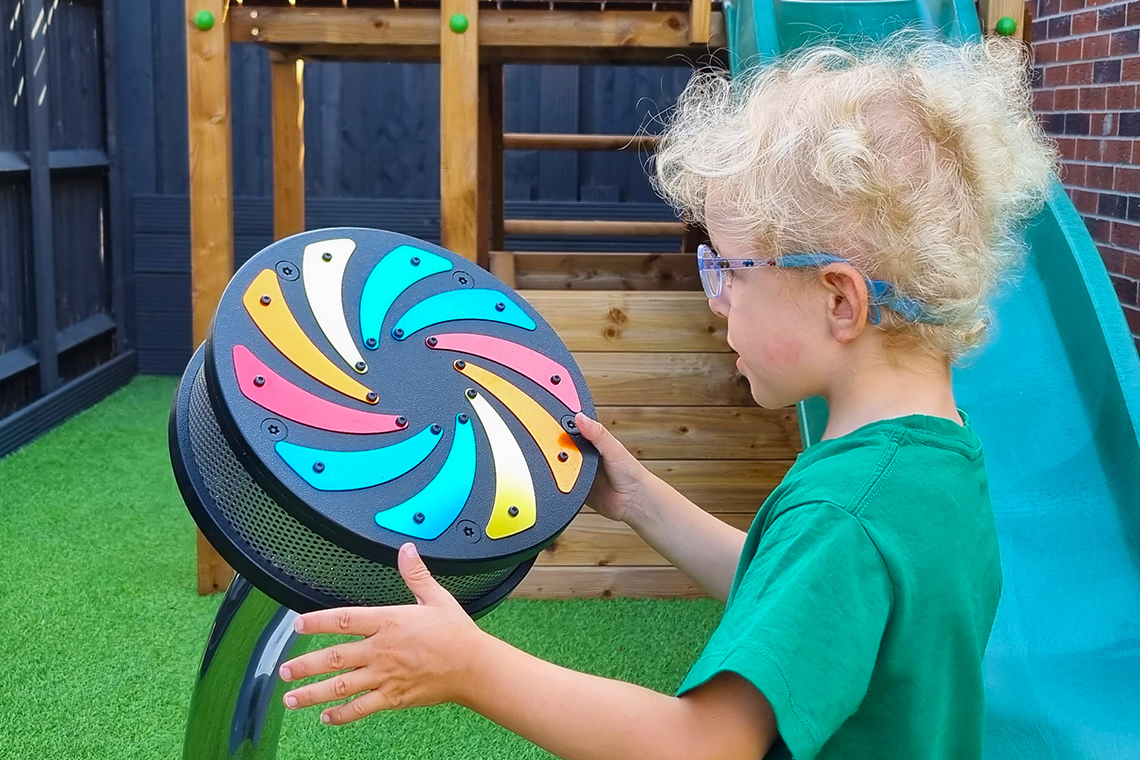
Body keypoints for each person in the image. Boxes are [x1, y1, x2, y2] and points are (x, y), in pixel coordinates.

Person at [276, 33, 1056, 760]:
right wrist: (644, 500)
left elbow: (705, 744)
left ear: (840, 301)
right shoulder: (935, 463)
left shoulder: (844, 514)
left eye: (730, 270)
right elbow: (790, 594)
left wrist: (472, 668)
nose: (715, 299)